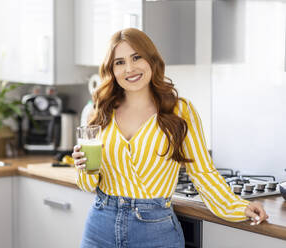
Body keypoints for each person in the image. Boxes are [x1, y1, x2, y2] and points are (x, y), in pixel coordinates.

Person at [72, 28, 268, 248]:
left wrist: (238, 207)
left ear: (151, 59)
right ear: (111, 69)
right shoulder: (100, 112)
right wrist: (84, 167)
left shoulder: (180, 111)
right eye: (119, 62)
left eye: (137, 57)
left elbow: (202, 172)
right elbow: (88, 185)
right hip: (100, 226)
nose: (129, 68)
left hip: (154, 230)